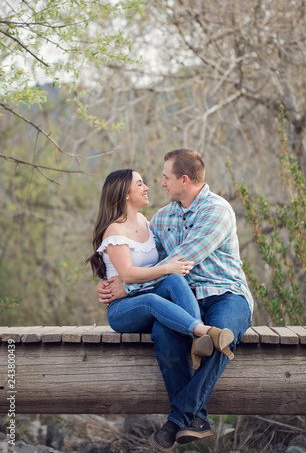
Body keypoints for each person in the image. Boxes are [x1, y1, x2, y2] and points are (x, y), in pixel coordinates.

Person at [96, 150, 253, 452]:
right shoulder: (162, 217)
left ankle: (177, 420)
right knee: (163, 332)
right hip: (186, 301)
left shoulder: (216, 210)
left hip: (226, 294)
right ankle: (198, 418)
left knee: (223, 334)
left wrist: (125, 287)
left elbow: (180, 264)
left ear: (184, 179)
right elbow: (142, 261)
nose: (161, 183)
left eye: (166, 177)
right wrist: (111, 283)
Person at [86, 168, 236, 372]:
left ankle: (197, 341)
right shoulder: (115, 230)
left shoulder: (146, 224)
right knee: (153, 299)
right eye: (139, 184)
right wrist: (166, 268)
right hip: (123, 309)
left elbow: (166, 256)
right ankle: (205, 332)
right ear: (125, 193)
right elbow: (128, 275)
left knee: (175, 280)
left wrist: (169, 269)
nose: (146, 187)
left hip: (147, 295)